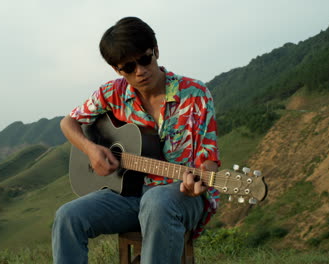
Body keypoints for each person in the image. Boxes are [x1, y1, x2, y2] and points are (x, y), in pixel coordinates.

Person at [52, 17, 220, 264]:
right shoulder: (112, 93)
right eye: (128, 67)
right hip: (129, 195)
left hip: (182, 196)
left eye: (145, 59)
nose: (140, 71)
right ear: (117, 70)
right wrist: (91, 149)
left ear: (156, 51)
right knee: (68, 216)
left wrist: (201, 176)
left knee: (157, 200)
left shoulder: (195, 94)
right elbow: (68, 122)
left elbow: (210, 157)